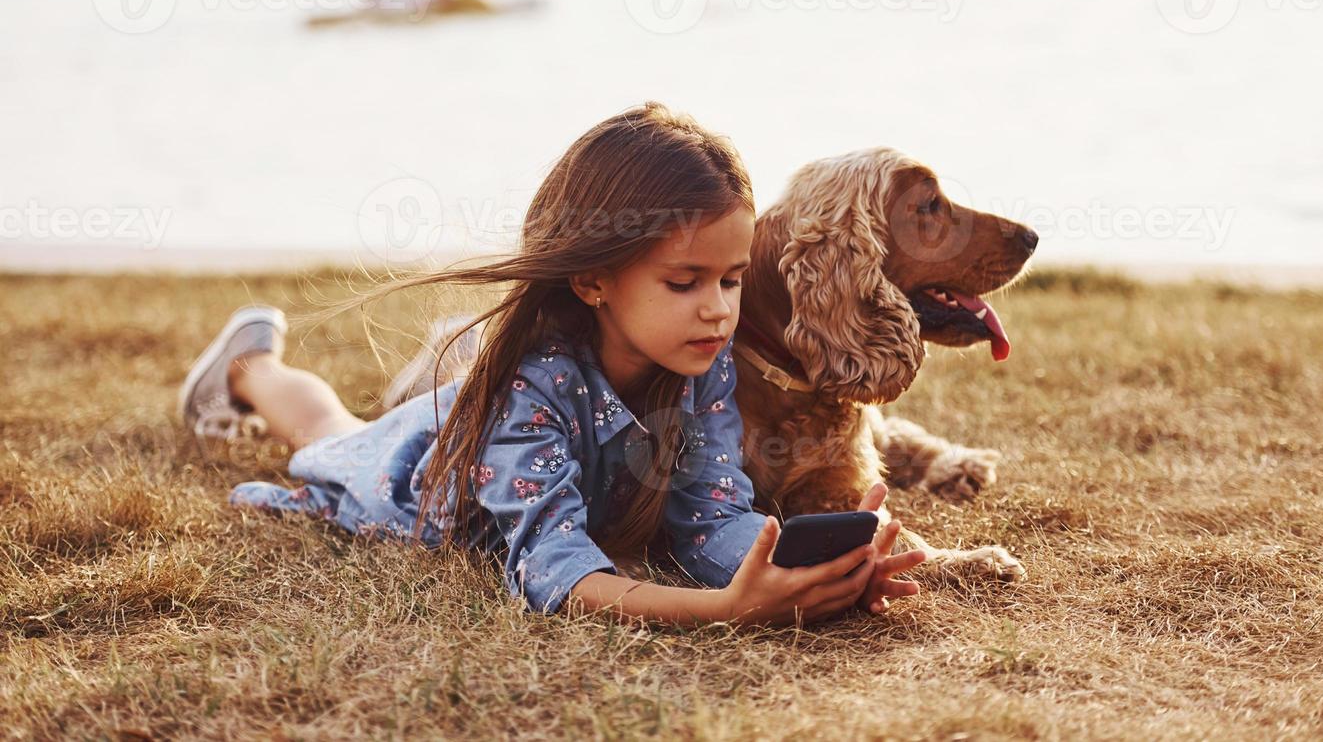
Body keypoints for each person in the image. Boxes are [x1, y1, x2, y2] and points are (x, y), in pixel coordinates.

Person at [177, 102, 925, 626]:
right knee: (327, 434)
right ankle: (247, 365)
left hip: (459, 426)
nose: (719, 310)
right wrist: (725, 610)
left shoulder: (704, 366)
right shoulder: (536, 390)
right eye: (684, 281)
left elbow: (710, 519)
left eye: (731, 280)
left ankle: (272, 370)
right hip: (410, 480)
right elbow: (555, 572)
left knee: (341, 422)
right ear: (593, 277)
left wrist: (806, 570)